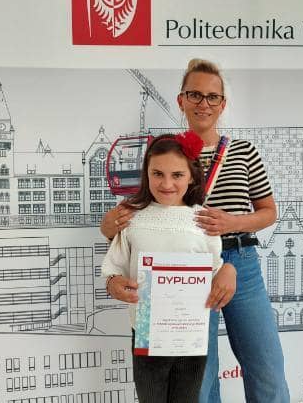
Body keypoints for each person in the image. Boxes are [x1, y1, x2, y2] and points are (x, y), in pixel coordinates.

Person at [101, 59, 290, 403]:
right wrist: (107, 226)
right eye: (195, 95)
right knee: (198, 376)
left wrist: (232, 223)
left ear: (223, 104)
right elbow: (142, 211)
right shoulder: (166, 152)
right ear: (181, 100)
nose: (204, 103)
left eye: (212, 97)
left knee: (266, 365)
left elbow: (269, 212)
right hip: (184, 266)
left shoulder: (244, 151)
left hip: (240, 261)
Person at [101, 131, 237, 403]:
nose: (166, 183)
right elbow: (114, 267)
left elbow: (215, 270)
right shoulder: (132, 218)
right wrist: (113, 283)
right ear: (146, 174)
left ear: (191, 176)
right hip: (147, 336)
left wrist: (227, 271)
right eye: (157, 174)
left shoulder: (204, 222)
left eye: (177, 175)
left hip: (191, 339)